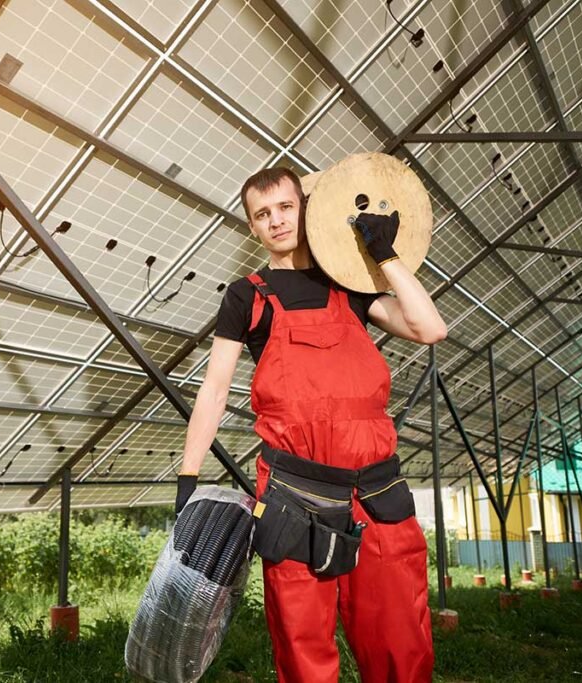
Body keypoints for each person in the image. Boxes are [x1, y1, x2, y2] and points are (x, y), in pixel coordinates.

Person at [175, 167, 446, 682]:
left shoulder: (350, 285)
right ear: (252, 226)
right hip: (292, 498)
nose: (276, 221)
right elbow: (214, 390)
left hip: (375, 492)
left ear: (306, 208)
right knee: (303, 650)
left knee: (399, 641)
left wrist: (384, 255)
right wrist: (188, 477)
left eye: (285, 207)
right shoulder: (246, 296)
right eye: (262, 214)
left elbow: (430, 328)